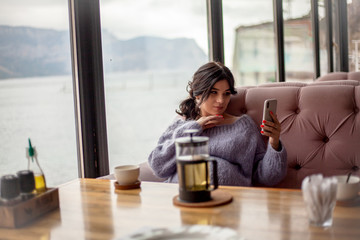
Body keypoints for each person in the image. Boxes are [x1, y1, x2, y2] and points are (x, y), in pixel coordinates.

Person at [148, 61, 287, 186]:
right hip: (182, 198)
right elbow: (158, 166)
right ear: (197, 94)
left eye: (226, 93)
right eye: (214, 92)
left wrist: (274, 142)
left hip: (228, 201)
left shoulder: (243, 127)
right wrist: (195, 127)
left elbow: (267, 178)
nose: (221, 100)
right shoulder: (182, 123)